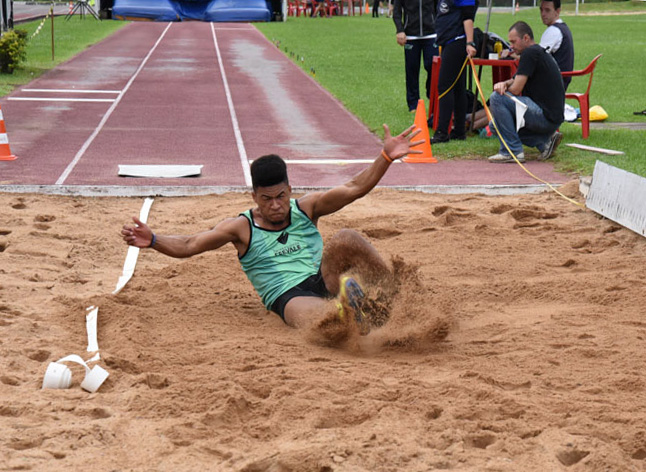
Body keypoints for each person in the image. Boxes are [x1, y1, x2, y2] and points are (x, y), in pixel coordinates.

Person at [121, 125, 422, 333]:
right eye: (267, 199)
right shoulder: (241, 228)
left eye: (281, 196)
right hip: (288, 296)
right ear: (254, 196)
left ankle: (395, 299)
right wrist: (155, 240)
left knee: (346, 237)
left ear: (289, 189)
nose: (276, 205)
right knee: (315, 319)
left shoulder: (307, 207)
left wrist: (384, 159)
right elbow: (190, 244)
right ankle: (349, 313)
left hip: (322, 276)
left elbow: (355, 187)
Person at [487, 21, 564, 164]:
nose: (511, 46)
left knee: (497, 98)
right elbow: (516, 79)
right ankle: (544, 142)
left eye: (513, 42)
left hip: (544, 115)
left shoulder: (529, 53)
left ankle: (512, 151)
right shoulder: (537, 52)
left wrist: (502, 89)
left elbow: (516, 89)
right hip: (553, 117)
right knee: (495, 124)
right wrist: (505, 83)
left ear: (526, 38)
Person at [430, 0, 478, 144]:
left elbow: (468, 16)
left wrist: (470, 42)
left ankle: (442, 132)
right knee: (458, 88)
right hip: (447, 41)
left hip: (457, 41)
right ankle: (459, 131)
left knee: (445, 86)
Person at [393, 0, 439, 113]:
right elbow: (397, 11)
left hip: (431, 34)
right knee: (412, 69)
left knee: (431, 66)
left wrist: (438, 26)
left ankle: (431, 92)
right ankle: (413, 103)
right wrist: (400, 30)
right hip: (410, 35)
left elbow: (439, 8)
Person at [539, 0, 574, 90]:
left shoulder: (553, 31)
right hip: (560, 81)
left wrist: (514, 54)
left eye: (547, 10)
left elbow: (535, 57)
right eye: (541, 10)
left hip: (553, 85)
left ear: (557, 11)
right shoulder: (563, 28)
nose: (543, 14)